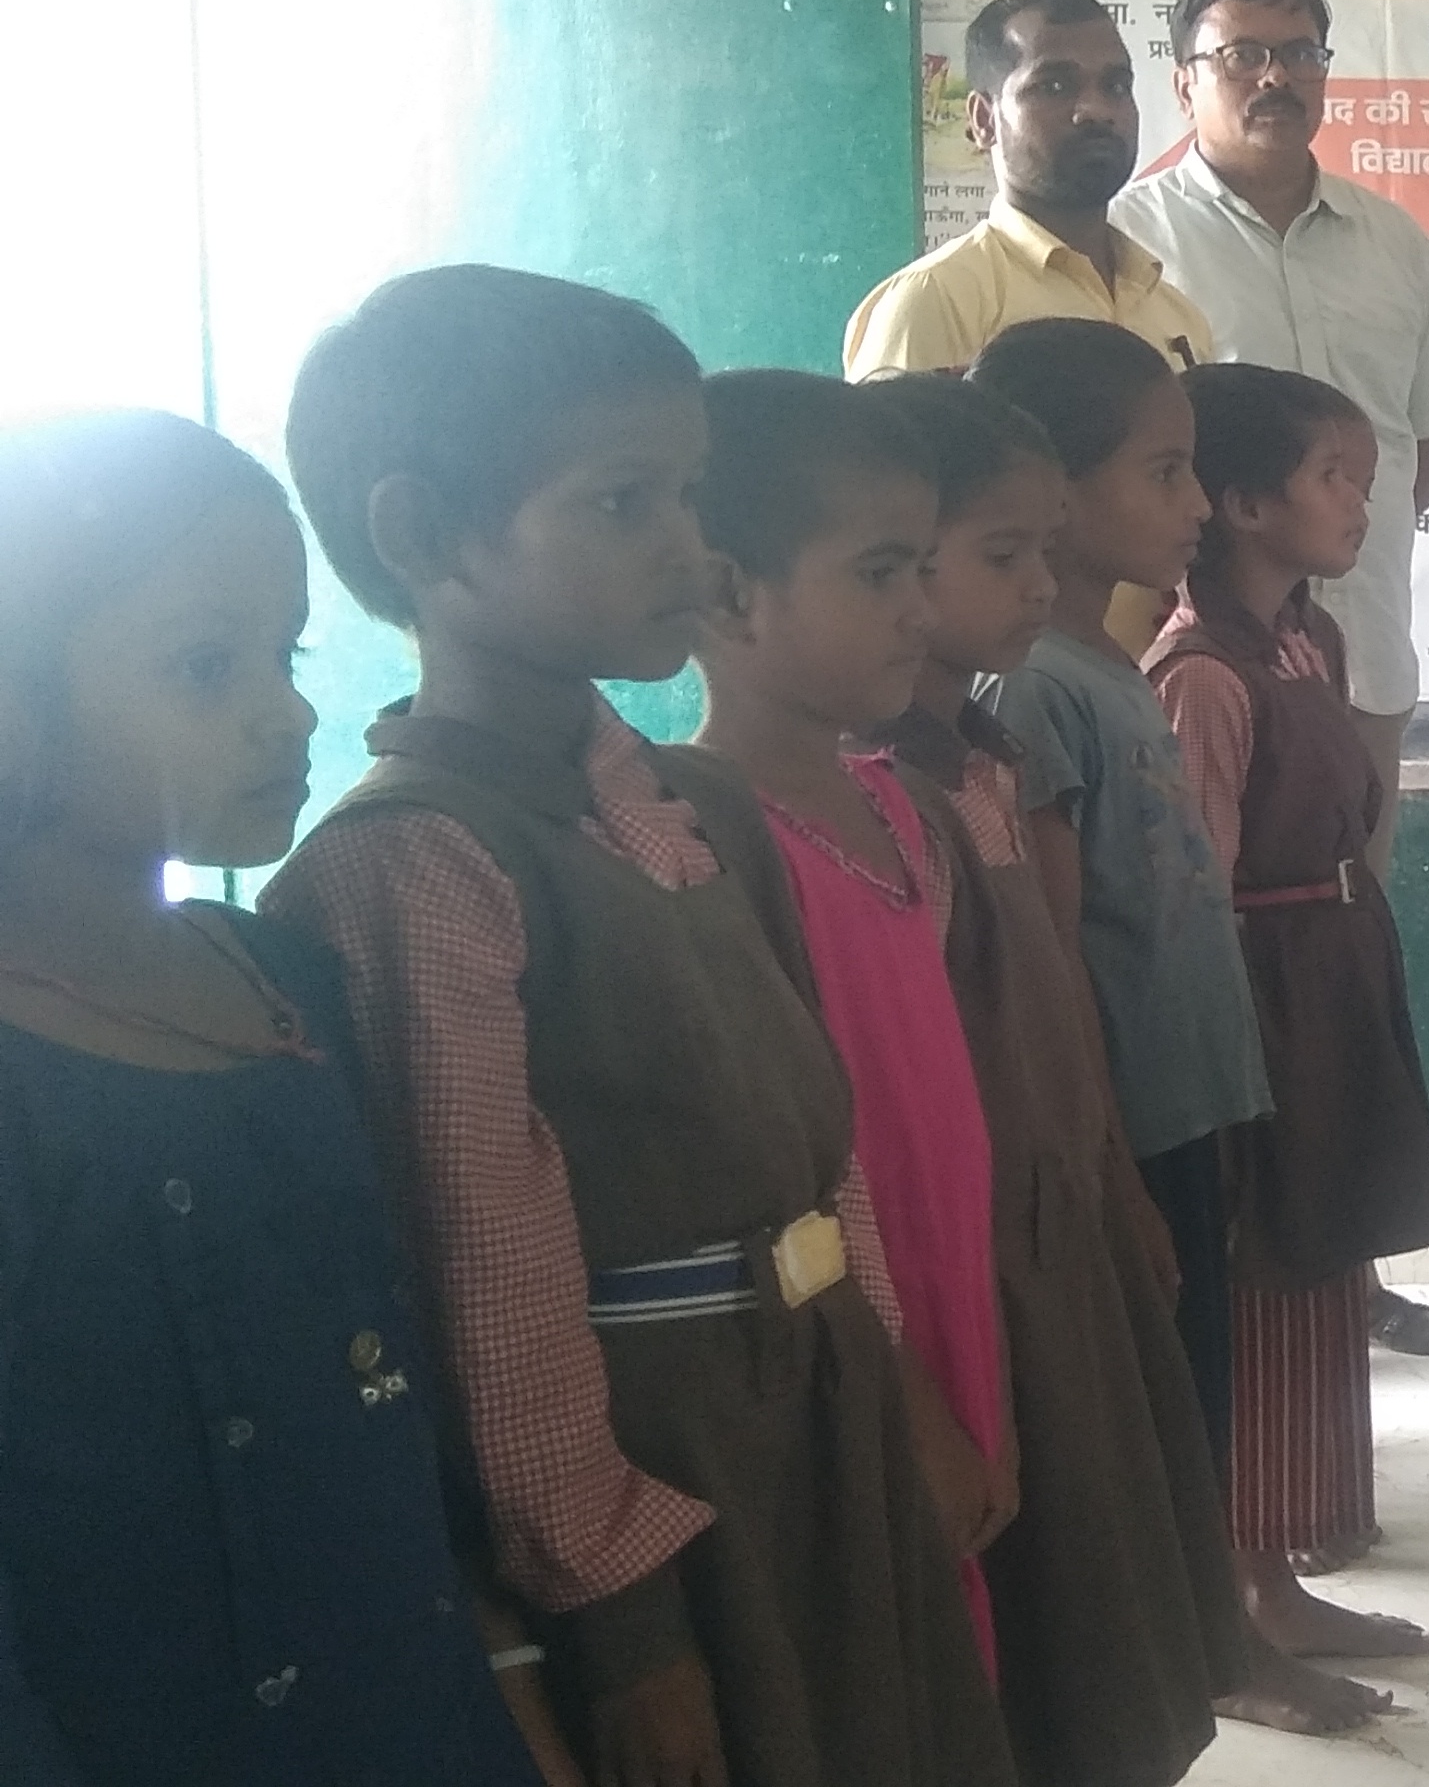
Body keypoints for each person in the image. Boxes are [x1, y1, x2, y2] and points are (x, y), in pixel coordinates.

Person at [263, 266, 1015, 1787]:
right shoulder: (414, 866)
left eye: (686, 491)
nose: (687, 543)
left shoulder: (686, 808)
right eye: (623, 503)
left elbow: (819, 1150)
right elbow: (488, 1280)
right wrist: (621, 1622)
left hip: (818, 1406)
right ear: (420, 535)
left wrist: (895, 1387)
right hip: (661, 1465)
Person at [862, 372, 1424, 1753]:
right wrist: (1105, 1158)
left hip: (1185, 1099)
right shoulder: (1047, 695)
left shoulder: (1091, 678)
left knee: (1197, 1390)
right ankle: (1215, 1635)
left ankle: (1226, 1620)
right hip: (1108, 1132)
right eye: (1162, 473)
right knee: (1158, 1402)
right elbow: (1058, 961)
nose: (1187, 505)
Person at [0, 411, 556, 1787]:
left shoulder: (280, 974)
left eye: (286, 655)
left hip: (407, 1705)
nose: (290, 711)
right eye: (206, 665)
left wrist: (502, 1674)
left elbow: (388, 1377)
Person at [1111, 0, 1429, 1360]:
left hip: (1349, 658)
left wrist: (1321, 566)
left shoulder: (1392, 241)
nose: (1275, 77)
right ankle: (1228, 1266)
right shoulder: (1130, 243)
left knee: (1338, 960)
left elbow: (1423, 452)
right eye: (1242, 55)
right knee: (1214, 957)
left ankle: (1346, 1271)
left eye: (1299, 52)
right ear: (1186, 77)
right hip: (1186, 668)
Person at [680, 372, 1018, 1672]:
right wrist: (908, 1401)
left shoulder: (904, 811)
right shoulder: (696, 842)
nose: (920, 613)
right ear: (730, 597)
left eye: (924, 569)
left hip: (954, 1294)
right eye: (880, 574)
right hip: (839, 1335)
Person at [1147, 364, 1429, 1588]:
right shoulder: (1202, 676)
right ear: (1242, 504)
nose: (1359, 505)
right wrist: (1235, 1068)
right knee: (1270, 1260)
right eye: (1333, 477)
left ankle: (1316, 1522)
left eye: (1364, 480)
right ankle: (1255, 1569)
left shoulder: (1309, 639)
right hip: (1264, 1006)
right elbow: (1197, 898)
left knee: (1334, 1250)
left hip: (1332, 982)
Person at [848, 0, 1214, 383]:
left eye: (1115, 86)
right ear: (984, 120)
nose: (1096, 110)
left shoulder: (1177, 316)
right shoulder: (934, 302)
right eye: (1054, 86)